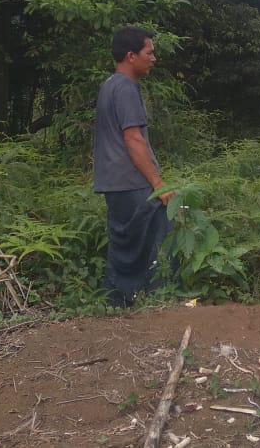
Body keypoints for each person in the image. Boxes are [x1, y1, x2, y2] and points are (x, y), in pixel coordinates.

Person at [93, 27, 176, 308]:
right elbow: (133, 139)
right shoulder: (126, 89)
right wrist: (158, 184)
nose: (154, 58)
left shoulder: (109, 85)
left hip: (114, 183)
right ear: (131, 56)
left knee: (125, 247)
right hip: (132, 183)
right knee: (162, 237)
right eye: (149, 52)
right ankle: (157, 304)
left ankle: (116, 303)